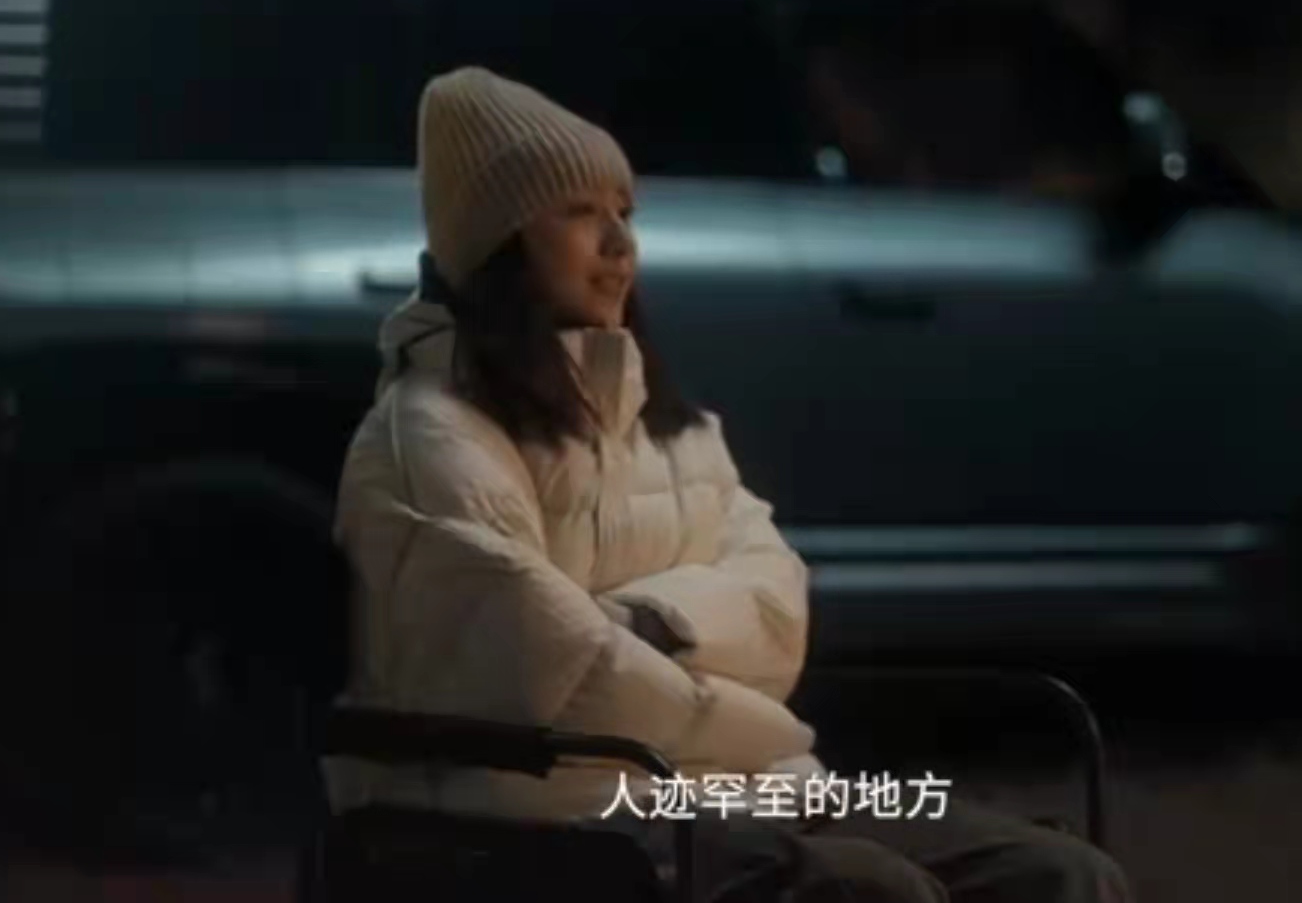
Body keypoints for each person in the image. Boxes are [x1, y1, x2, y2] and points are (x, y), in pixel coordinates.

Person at [329, 66, 1134, 903]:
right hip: (556, 813)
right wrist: (717, 660)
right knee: (870, 889)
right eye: (579, 212)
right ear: (496, 241)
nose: (620, 244)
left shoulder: (669, 426)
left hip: (753, 787)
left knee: (1064, 874)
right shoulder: (430, 434)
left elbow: (780, 609)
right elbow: (535, 669)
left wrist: (648, 620)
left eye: (624, 212)